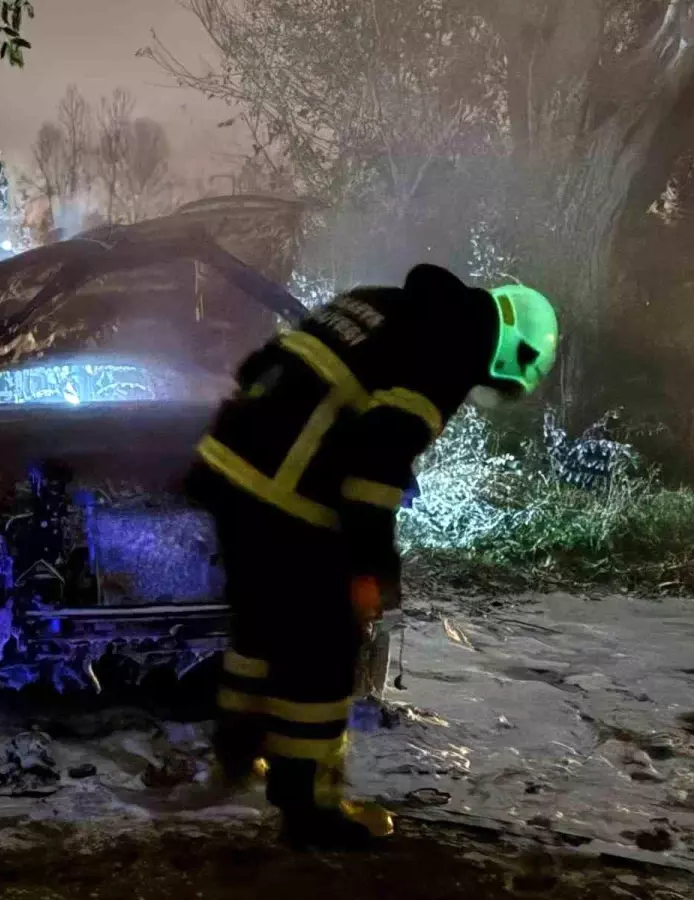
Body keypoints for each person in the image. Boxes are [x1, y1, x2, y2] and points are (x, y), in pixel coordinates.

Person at [186, 263, 558, 848]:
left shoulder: (379, 301)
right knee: (322, 645)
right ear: (513, 351)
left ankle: (239, 751)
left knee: (261, 626)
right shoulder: (450, 346)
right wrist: (371, 568)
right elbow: (378, 468)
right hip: (287, 490)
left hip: (227, 466)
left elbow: (261, 363)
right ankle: (309, 809)